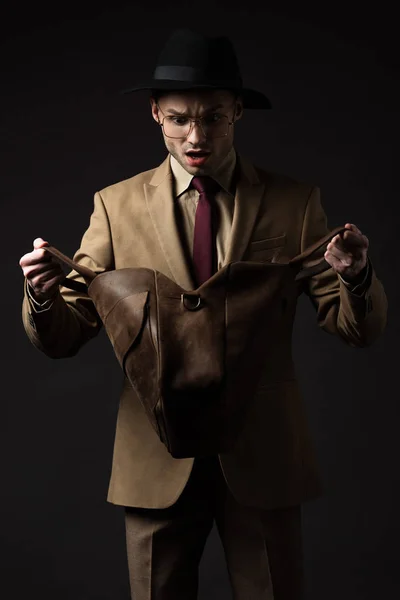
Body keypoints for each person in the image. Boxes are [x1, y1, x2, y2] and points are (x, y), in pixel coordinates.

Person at [19, 28, 387, 600]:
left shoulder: (294, 202)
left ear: (237, 111)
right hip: (153, 458)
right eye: (179, 118)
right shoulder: (114, 208)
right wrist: (42, 295)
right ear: (155, 114)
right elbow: (67, 334)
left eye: (213, 118)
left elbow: (355, 329)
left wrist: (356, 277)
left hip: (262, 456)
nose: (197, 135)